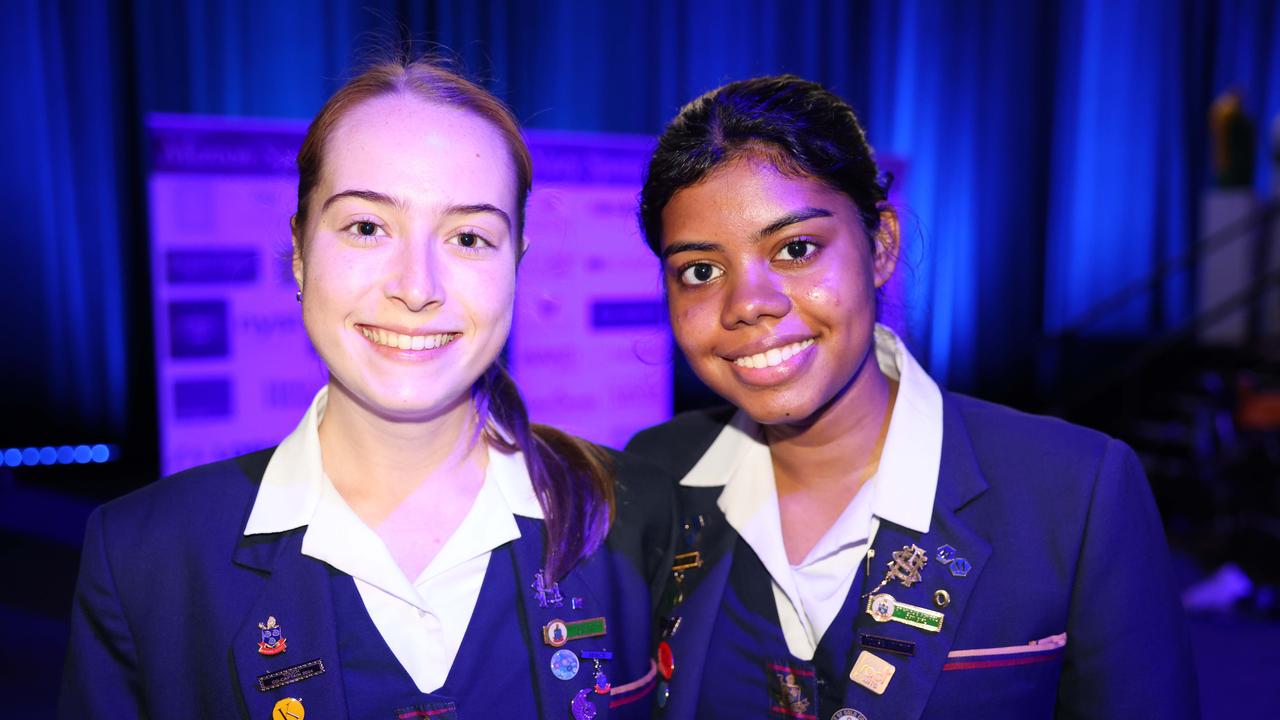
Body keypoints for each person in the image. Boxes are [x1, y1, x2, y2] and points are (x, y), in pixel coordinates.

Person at [60, 59, 673, 719]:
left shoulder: (638, 515)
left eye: (469, 238)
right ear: (299, 251)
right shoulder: (145, 558)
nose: (416, 286)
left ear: (515, 266)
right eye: (366, 228)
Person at [626, 75, 1198, 719]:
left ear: (881, 245)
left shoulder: (1076, 491)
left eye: (795, 249)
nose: (748, 304)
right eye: (700, 271)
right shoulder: (654, 476)